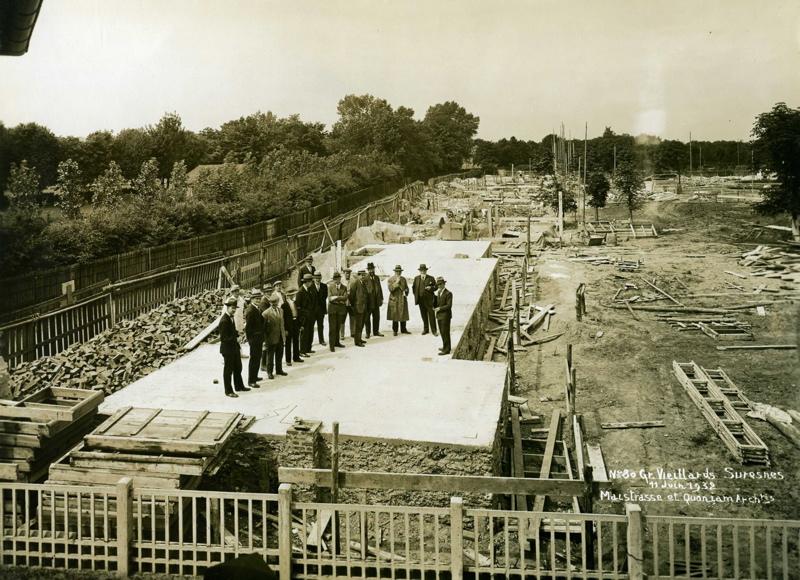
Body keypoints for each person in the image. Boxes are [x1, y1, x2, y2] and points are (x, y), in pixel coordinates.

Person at [218, 296, 250, 397]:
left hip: (234, 348)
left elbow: (231, 332)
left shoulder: (230, 318)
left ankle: (239, 386)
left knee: (238, 367)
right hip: (227, 350)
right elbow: (224, 338)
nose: (234, 310)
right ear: (227, 308)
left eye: (235, 309)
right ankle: (228, 391)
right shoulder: (224, 320)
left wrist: (238, 333)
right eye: (232, 308)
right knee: (228, 370)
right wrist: (235, 339)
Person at [262, 293, 288, 379]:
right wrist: (265, 340)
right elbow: (264, 328)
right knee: (270, 356)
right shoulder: (265, 313)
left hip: (280, 336)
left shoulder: (281, 310)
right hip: (271, 338)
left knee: (279, 354)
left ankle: (279, 370)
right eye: (272, 302)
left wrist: (284, 334)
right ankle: (269, 372)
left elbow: (282, 324)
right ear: (270, 303)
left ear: (277, 302)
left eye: (275, 302)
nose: (274, 304)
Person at [244, 288, 264, 387]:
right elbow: (248, 328)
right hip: (254, 339)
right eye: (256, 299)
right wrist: (250, 340)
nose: (258, 300)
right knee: (254, 359)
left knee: (257, 358)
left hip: (259, 338)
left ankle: (255, 376)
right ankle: (251, 381)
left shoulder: (257, 308)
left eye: (259, 298)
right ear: (252, 299)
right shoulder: (250, 310)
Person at [412, 264, 438, 336]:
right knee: (423, 315)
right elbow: (413, 288)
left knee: (431, 315)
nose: (423, 271)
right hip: (420, 300)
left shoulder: (431, 278)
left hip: (430, 300)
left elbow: (436, 287)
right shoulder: (416, 278)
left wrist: (431, 288)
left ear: (426, 270)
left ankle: (434, 331)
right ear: (420, 271)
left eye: (424, 270)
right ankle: (426, 329)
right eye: (421, 270)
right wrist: (416, 295)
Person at [295, 273, 318, 355]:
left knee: (310, 332)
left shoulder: (309, 290)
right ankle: (302, 351)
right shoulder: (300, 292)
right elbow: (298, 306)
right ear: (307, 282)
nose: (312, 283)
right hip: (304, 317)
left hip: (311, 316)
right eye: (311, 281)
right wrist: (301, 318)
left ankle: (308, 348)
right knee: (304, 334)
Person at [326, 272, 348, 352]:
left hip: (340, 310)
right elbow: (329, 298)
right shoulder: (330, 287)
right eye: (334, 279)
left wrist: (336, 297)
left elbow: (345, 298)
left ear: (340, 279)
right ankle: (332, 345)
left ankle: (337, 342)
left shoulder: (344, 287)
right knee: (332, 328)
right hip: (332, 310)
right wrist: (340, 299)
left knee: (338, 327)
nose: (336, 280)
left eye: (337, 278)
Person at [387, 265, 410, 335]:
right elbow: (390, 289)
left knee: (403, 314)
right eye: (397, 271)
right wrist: (396, 283)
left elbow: (407, 288)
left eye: (399, 271)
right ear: (395, 272)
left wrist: (406, 290)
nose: (398, 273)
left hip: (402, 299)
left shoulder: (403, 279)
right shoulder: (391, 279)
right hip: (395, 299)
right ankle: (395, 330)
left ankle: (403, 329)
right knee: (395, 314)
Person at [348, 270, 369, 347]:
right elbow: (351, 296)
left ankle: (359, 338)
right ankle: (357, 342)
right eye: (361, 275)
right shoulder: (355, 283)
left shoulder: (363, 283)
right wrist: (354, 306)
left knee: (361, 324)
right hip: (358, 307)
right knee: (358, 325)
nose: (363, 276)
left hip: (363, 308)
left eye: (364, 275)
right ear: (358, 275)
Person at [283, 287, 303, 366]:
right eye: (290, 295)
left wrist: (300, 325)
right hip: (289, 325)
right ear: (287, 296)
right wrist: (285, 329)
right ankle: (288, 360)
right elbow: (283, 318)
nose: (292, 296)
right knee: (288, 343)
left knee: (296, 340)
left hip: (295, 323)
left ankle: (296, 357)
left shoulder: (295, 303)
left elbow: (298, 315)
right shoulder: (284, 305)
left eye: (293, 295)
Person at [434, 276, 452, 355]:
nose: (439, 286)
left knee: (445, 332)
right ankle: (445, 346)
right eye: (438, 285)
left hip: (445, 316)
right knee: (442, 332)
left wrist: (439, 308)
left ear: (444, 284)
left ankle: (447, 349)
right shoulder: (438, 293)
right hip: (439, 315)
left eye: (440, 284)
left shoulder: (448, 293)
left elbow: (449, 305)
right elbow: (437, 303)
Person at [365, 262, 384, 338]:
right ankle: (368, 333)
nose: (371, 271)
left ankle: (376, 331)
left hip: (376, 301)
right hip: (369, 302)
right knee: (367, 318)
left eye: (372, 269)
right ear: (368, 270)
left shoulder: (377, 278)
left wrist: (381, 298)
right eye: (369, 269)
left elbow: (380, 288)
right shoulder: (365, 278)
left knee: (376, 317)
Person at [312, 272, 328, 346]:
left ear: (321, 278)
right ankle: (310, 342)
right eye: (316, 278)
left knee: (320, 325)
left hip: (321, 310)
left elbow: (325, 297)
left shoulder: (324, 286)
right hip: (313, 310)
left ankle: (321, 340)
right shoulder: (311, 286)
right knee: (311, 326)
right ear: (313, 278)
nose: (317, 279)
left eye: (319, 278)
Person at [341, 268, 352, 341]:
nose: (347, 274)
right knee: (342, 319)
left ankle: (353, 333)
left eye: (348, 273)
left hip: (351, 302)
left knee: (352, 318)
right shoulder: (341, 282)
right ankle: (342, 334)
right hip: (343, 303)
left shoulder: (352, 281)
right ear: (344, 274)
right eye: (346, 273)